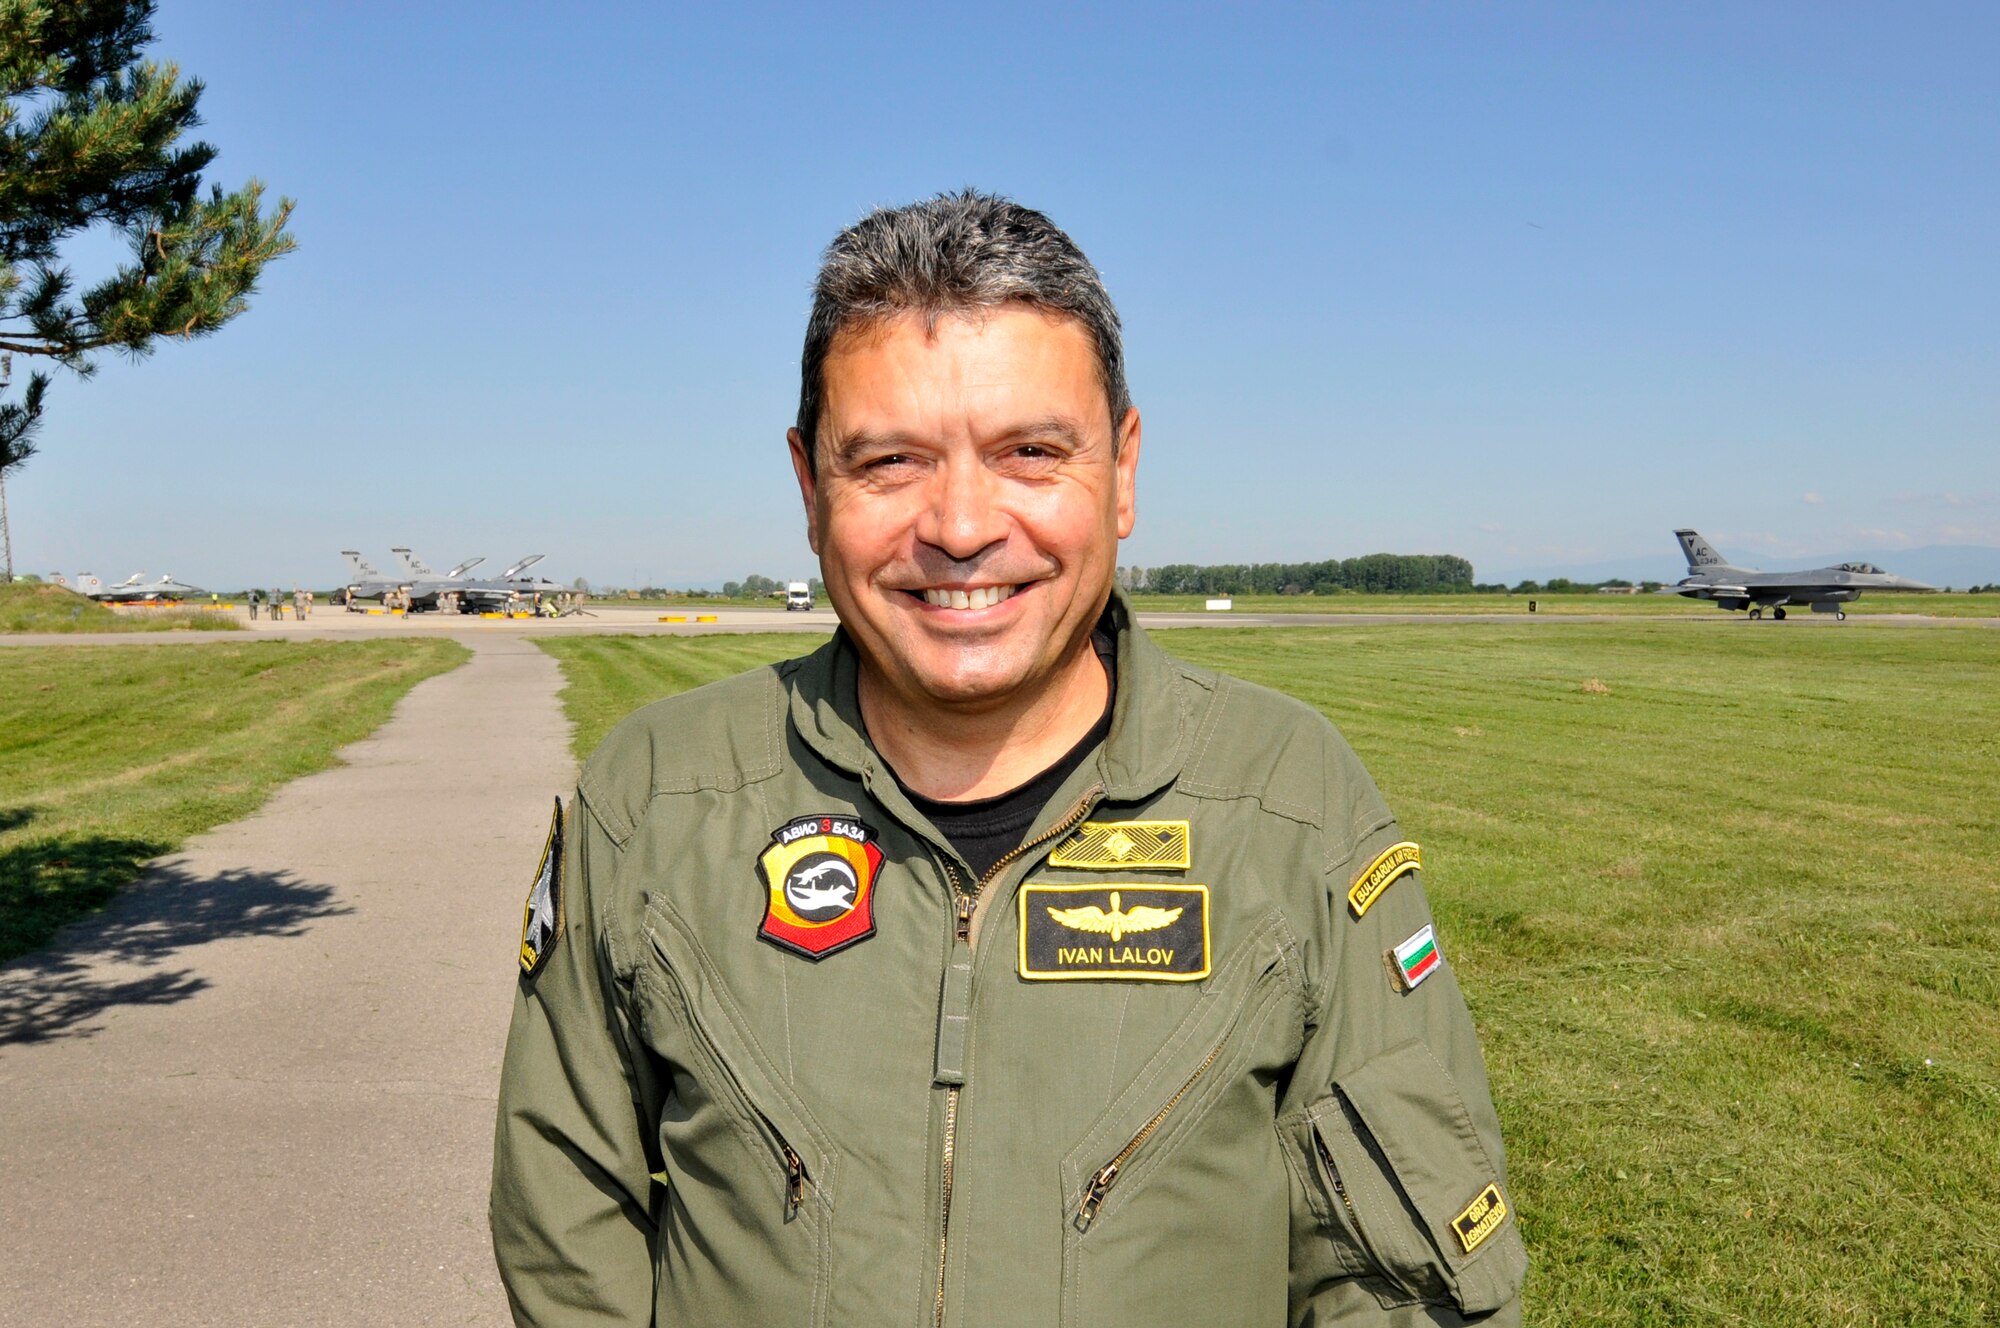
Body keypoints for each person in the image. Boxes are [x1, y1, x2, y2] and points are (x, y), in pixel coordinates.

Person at [491, 191, 1525, 1326]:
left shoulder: (1288, 802)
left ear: (1122, 470)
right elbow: (565, 1223)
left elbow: (1404, 1283)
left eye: (1030, 451)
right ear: (807, 485)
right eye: (889, 460)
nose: (963, 525)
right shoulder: (654, 800)